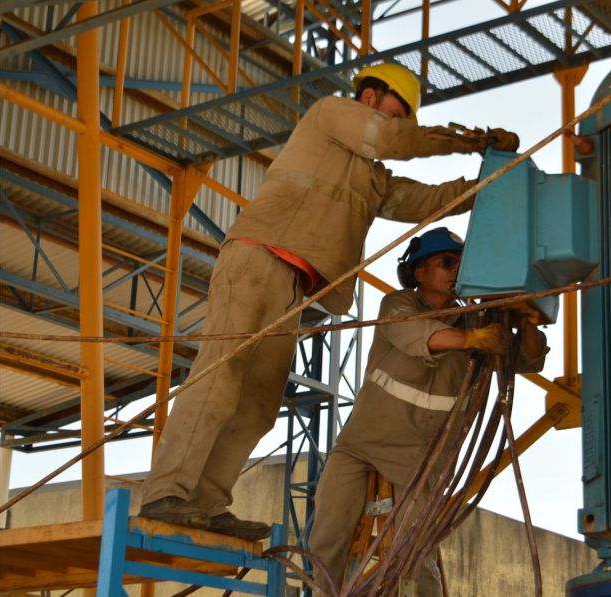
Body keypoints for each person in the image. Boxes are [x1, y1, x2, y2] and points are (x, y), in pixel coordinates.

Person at [138, 64, 520, 540]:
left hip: (293, 287)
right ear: (369, 98)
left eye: (404, 117)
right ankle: (165, 493)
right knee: (221, 378)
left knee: (258, 402)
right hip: (258, 258)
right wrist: (468, 140)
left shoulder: (372, 180)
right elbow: (393, 140)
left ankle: (208, 502)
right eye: (395, 114)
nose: (399, 125)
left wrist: (494, 176)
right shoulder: (330, 115)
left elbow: (430, 201)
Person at [308, 227, 547, 594]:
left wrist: (525, 318)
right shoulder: (399, 305)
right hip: (362, 446)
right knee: (327, 540)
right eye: (447, 262)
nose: (456, 270)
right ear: (420, 273)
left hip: (422, 460)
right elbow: (417, 334)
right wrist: (472, 340)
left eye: (461, 263)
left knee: (416, 559)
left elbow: (528, 359)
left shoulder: (478, 320)